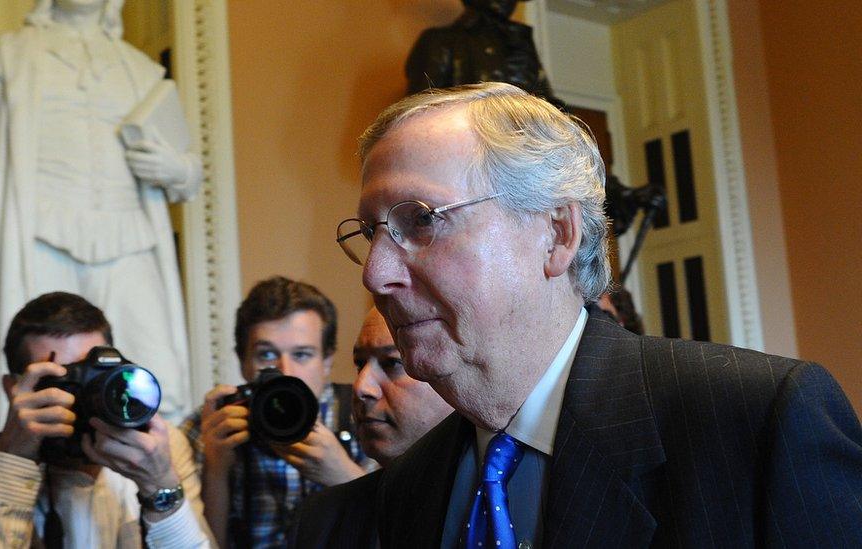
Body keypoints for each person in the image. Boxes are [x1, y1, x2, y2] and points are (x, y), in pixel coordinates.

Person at [332, 82, 862, 547]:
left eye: (420, 221)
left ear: (557, 233)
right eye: (370, 232)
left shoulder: (755, 423)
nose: (375, 274)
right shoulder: (410, 485)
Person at [0, 0, 201, 434]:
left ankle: (149, 486)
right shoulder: (4, 58)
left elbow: (187, 166)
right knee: (45, 379)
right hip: (39, 237)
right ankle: (40, 484)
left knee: (155, 378)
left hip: (130, 240)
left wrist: (177, 169)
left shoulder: (140, 70)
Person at [0, 292, 214, 547]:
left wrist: (159, 485)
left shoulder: (158, 449)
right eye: (61, 380)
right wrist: (13, 460)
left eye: (92, 377)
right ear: (14, 390)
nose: (82, 397)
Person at [180, 277, 371, 548]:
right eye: (267, 355)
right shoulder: (210, 425)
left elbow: (403, 533)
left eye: (302, 354)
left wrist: (344, 476)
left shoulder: (362, 413)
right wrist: (217, 471)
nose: (286, 372)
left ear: (327, 361)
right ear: (243, 361)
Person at [290, 307, 453, 548]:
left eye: (392, 363)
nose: (360, 387)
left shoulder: (495, 506)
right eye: (360, 363)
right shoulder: (318, 520)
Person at [405, 0, 562, 109]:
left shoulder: (521, 43)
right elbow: (419, 108)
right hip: (466, 145)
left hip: (521, 148)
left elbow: (546, 102)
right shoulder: (440, 41)